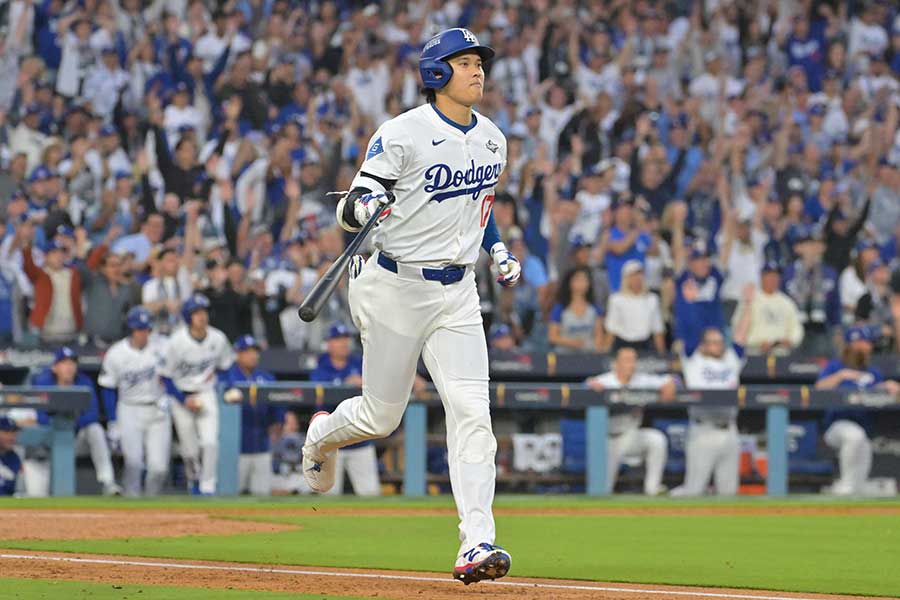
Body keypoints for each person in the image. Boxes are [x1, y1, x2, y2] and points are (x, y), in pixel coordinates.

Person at [301, 28, 519, 585]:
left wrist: (494, 250)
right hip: (395, 286)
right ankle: (323, 434)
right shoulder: (403, 132)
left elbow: (478, 208)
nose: (477, 71)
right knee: (381, 416)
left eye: (479, 63)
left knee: (473, 413)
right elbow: (351, 209)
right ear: (436, 73)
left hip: (458, 294)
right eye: (465, 62)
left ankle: (478, 543)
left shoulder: (493, 138)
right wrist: (367, 201)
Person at [671, 289, 752, 497]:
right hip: (703, 430)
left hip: (730, 431)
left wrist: (749, 304)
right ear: (704, 345)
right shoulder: (694, 359)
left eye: (719, 342)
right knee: (694, 491)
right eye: (712, 342)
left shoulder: (730, 360)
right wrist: (689, 304)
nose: (717, 346)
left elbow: (741, 335)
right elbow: (690, 329)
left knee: (728, 492)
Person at [160, 293, 234, 495]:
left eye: (204, 312)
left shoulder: (217, 338)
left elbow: (226, 366)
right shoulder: (176, 342)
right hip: (181, 396)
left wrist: (229, 386)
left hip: (205, 393)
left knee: (210, 442)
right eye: (196, 313)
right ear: (188, 316)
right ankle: (194, 481)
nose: (202, 316)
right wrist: (184, 400)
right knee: (190, 450)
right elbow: (165, 377)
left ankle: (208, 486)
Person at [814, 326, 900, 495]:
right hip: (836, 426)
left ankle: (852, 491)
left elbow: (878, 392)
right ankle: (846, 486)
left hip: (863, 427)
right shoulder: (836, 366)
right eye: (859, 343)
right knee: (855, 436)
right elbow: (819, 388)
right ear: (849, 346)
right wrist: (841, 376)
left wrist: (887, 387)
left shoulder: (872, 372)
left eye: (866, 343)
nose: (865, 347)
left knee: (862, 443)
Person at [97, 306, 171, 497]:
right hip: (129, 409)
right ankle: (131, 505)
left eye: (146, 329)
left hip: (158, 408)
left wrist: (168, 396)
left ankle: (150, 502)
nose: (143, 333)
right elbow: (107, 388)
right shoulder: (116, 353)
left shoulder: (163, 346)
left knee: (159, 467)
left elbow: (173, 375)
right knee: (134, 463)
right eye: (139, 329)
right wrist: (113, 420)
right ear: (130, 329)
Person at [31, 347, 122, 496]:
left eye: (72, 363)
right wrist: (61, 422)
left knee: (95, 430)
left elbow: (93, 414)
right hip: (51, 441)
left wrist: (71, 422)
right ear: (55, 367)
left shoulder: (83, 382)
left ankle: (108, 482)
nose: (69, 367)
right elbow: (40, 417)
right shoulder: (44, 382)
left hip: (76, 438)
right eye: (64, 363)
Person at [585, 347, 675, 495]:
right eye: (626, 360)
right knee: (602, 491)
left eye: (633, 360)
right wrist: (590, 387)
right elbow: (583, 387)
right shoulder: (605, 380)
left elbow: (671, 379)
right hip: (607, 440)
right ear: (616, 364)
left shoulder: (641, 379)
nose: (631, 364)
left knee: (656, 440)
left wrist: (670, 385)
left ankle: (652, 489)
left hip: (630, 436)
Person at [309, 323, 380, 497]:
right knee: (328, 496)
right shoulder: (321, 364)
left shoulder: (359, 361)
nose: (343, 343)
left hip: (360, 439)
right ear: (329, 343)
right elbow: (319, 394)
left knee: (370, 493)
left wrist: (362, 381)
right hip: (331, 442)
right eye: (338, 339)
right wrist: (346, 382)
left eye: (345, 339)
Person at [222, 335, 283, 496]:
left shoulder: (267, 377)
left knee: (262, 495)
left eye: (255, 351)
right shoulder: (228, 376)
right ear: (237, 354)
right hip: (235, 449)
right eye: (247, 351)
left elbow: (278, 402)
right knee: (231, 494)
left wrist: (278, 420)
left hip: (262, 445)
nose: (253, 355)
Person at [732, 262, 804, 355]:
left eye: (775, 276)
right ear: (762, 277)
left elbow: (796, 328)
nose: (773, 279)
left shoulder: (787, 302)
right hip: (755, 353)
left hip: (780, 354)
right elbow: (737, 329)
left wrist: (790, 341)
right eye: (769, 276)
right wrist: (756, 342)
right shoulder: (750, 299)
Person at [603, 260, 666, 353]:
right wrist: (604, 354)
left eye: (639, 275)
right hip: (622, 345)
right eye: (632, 275)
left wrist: (662, 354)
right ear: (625, 278)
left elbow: (657, 330)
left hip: (645, 346)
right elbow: (611, 330)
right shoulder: (616, 299)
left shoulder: (652, 299)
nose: (637, 278)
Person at [548, 267, 605, 354]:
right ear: (569, 283)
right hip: (564, 354)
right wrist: (573, 343)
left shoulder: (595, 308)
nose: (581, 283)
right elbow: (553, 336)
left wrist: (597, 352)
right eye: (578, 280)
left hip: (588, 354)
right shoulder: (560, 308)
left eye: (584, 280)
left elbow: (599, 336)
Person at [0, 417, 22, 496]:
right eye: (7, 432)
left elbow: (8, 487)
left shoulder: (14, 458)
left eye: (14, 433)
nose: (11, 437)